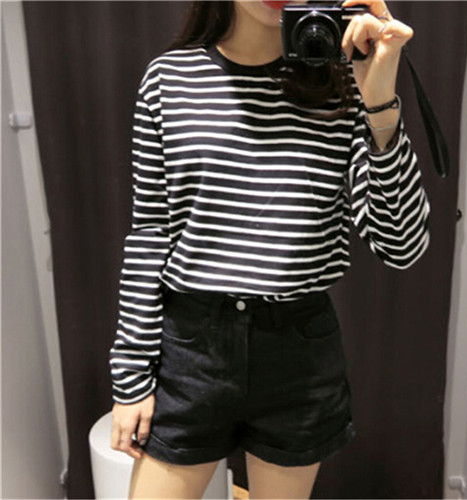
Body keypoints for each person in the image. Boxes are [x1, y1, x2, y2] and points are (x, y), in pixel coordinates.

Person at [109, 0, 430, 498]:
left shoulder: (347, 83)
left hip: (297, 354)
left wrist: (380, 103)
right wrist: (131, 376)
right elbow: (150, 235)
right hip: (192, 349)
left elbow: (402, 245)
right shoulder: (169, 79)